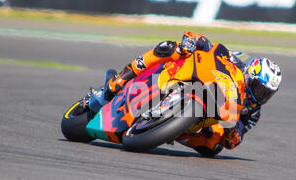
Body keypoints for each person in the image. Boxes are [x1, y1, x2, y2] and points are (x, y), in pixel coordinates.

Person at [105, 31, 282, 157]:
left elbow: (234, 141)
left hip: (207, 116)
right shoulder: (236, 61)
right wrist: (191, 41)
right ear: (250, 75)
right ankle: (122, 76)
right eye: (260, 89)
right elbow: (209, 46)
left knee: (214, 145)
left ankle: (171, 129)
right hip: (193, 77)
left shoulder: (252, 113)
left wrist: (232, 129)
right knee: (171, 48)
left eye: (267, 93)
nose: (261, 96)